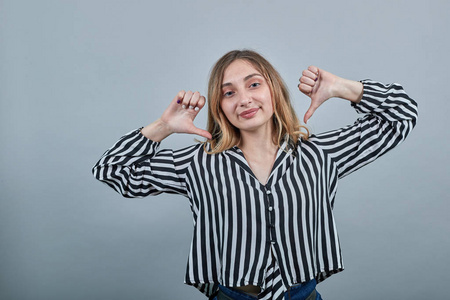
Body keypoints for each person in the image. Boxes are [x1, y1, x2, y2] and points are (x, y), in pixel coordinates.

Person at [92, 50, 418, 300]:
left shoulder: (321, 153)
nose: (244, 98)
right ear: (219, 107)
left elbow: (401, 116)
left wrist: (342, 88)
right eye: (229, 92)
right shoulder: (198, 163)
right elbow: (112, 170)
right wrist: (164, 127)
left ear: (273, 90)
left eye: (254, 84)